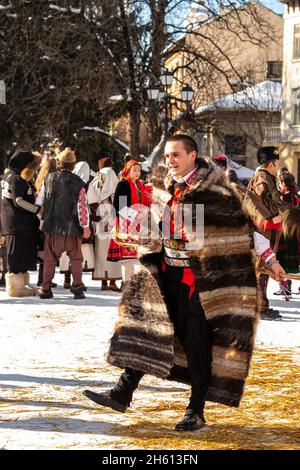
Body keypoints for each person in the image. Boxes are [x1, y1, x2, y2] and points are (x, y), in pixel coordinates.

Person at [83, 134, 284, 431]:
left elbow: (245, 230)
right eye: (167, 156)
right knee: (151, 330)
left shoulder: (216, 191)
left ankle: (195, 410)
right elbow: (155, 225)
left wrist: (271, 260)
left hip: (198, 283)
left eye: (176, 155)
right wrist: (130, 229)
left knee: (196, 344)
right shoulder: (164, 188)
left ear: (192, 155)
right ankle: (122, 393)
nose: (169, 161)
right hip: (164, 277)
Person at [243, 146, 289, 319]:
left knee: (265, 267)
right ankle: (259, 307)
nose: (278, 166)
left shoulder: (267, 176)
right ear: (271, 163)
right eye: (277, 163)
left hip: (268, 228)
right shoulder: (262, 177)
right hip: (264, 229)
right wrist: (273, 215)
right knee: (262, 267)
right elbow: (260, 196)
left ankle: (262, 304)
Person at [38, 148, 90, 300]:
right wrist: (85, 227)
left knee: (49, 259)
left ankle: (45, 289)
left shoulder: (48, 179)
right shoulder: (79, 182)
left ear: (60, 163)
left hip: (52, 228)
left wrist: (44, 220)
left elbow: (39, 202)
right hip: (73, 229)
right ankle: (78, 289)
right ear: (73, 165)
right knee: (76, 259)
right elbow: (82, 207)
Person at [0, 150, 41, 296]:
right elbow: (18, 201)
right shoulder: (16, 179)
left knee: (20, 255)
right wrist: (38, 210)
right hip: (17, 223)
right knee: (16, 257)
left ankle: (22, 283)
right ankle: (16, 288)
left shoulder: (7, 176)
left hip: (15, 223)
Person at [107, 159, 151, 286]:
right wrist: (134, 214)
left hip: (139, 224)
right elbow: (118, 206)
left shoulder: (140, 185)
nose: (137, 173)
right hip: (126, 223)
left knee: (138, 256)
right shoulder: (123, 184)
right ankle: (126, 283)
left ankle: (134, 282)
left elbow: (146, 202)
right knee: (128, 257)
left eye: (139, 170)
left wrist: (145, 212)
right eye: (134, 170)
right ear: (128, 170)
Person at [89, 156, 121, 291]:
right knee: (113, 249)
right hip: (112, 218)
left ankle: (104, 281)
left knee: (101, 250)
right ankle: (112, 281)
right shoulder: (115, 178)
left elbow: (91, 201)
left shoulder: (95, 180)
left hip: (100, 219)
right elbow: (121, 200)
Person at [273, 170, 300, 295]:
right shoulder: (296, 195)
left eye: (280, 183)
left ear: (283, 183)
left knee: (283, 263)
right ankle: (287, 287)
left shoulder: (283, 198)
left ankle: (285, 287)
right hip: (296, 234)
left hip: (285, 233)